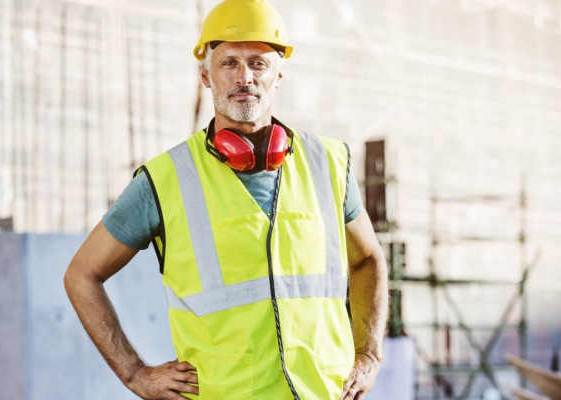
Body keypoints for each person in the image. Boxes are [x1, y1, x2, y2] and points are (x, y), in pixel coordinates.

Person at [64, 0, 388, 399]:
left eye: (258, 63)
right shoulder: (164, 181)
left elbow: (368, 259)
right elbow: (81, 274)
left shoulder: (328, 164)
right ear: (205, 74)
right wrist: (134, 374)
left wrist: (369, 353)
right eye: (229, 63)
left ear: (279, 75)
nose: (244, 77)